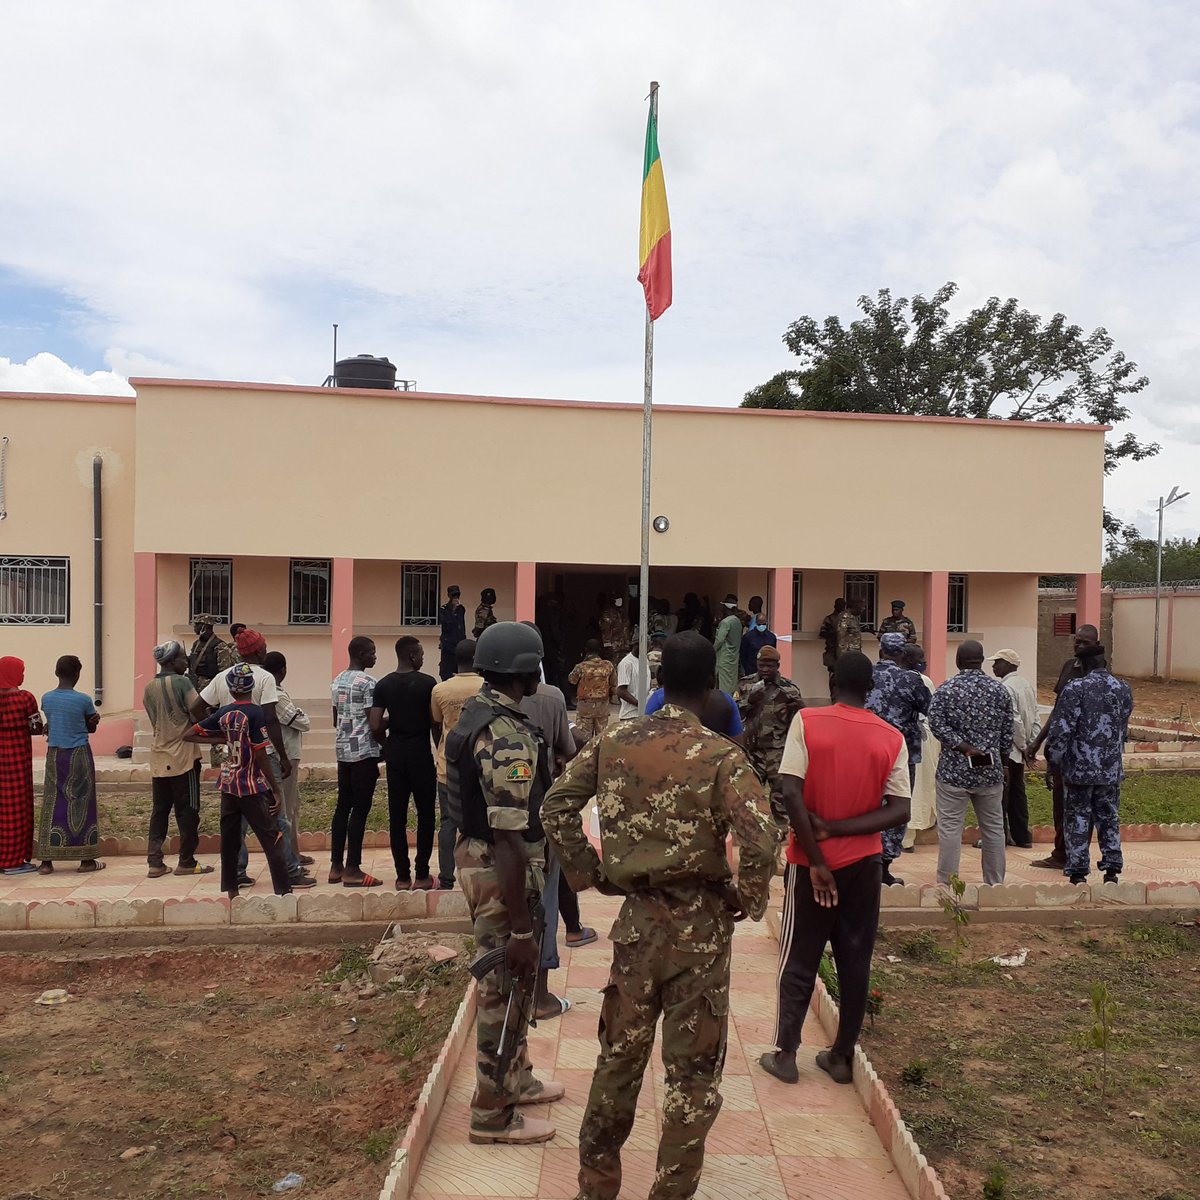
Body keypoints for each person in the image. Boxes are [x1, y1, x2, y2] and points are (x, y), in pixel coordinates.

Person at [542, 630, 776, 1200]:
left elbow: (557, 805)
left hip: (637, 925)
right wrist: (744, 900)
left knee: (618, 1062)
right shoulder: (722, 755)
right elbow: (763, 841)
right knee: (692, 1077)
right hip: (700, 931)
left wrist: (590, 875)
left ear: (658, 682)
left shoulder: (617, 741)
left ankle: (595, 1188)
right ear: (713, 685)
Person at [760, 651, 911, 1088]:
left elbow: (790, 792)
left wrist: (819, 860)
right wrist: (844, 831)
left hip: (810, 864)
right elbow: (899, 809)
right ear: (871, 689)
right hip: (864, 865)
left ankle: (786, 1055)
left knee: (800, 954)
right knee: (855, 957)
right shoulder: (891, 737)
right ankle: (842, 1057)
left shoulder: (807, 721)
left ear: (831, 682)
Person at [444, 622, 563, 1146]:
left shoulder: (482, 712)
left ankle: (516, 1079)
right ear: (524, 669)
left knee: (512, 983)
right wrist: (519, 927)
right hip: (501, 869)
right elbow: (509, 835)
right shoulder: (505, 732)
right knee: (503, 988)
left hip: (485, 861)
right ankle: (492, 1115)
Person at [197, 629, 311, 889]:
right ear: (260, 651)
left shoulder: (223, 677)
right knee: (276, 813)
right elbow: (270, 718)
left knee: (236, 816)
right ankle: (290, 873)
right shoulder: (264, 677)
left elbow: (197, 707)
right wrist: (282, 756)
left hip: (234, 758)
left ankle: (237, 872)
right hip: (263, 755)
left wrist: (221, 732)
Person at [185, 664, 293, 899]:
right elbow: (261, 754)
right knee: (272, 837)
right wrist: (274, 789)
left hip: (228, 785)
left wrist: (220, 737)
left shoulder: (223, 714)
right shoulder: (256, 714)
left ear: (231, 690)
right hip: (252, 785)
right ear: (251, 687)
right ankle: (284, 892)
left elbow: (189, 733)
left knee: (230, 840)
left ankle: (231, 890)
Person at [1044, 644, 1133, 884]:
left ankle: (1078, 872)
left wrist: (1053, 764)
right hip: (1110, 770)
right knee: (1109, 817)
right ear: (1103, 663)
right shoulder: (1123, 689)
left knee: (1077, 818)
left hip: (1079, 771)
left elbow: (1061, 731)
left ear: (1083, 664)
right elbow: (1122, 730)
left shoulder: (1076, 689)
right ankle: (1112, 869)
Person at [928, 640, 1013, 886]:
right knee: (994, 828)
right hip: (990, 770)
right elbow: (1007, 731)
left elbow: (936, 724)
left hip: (954, 771)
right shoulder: (999, 691)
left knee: (950, 830)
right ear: (982, 660)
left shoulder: (946, 689)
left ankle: (947, 884)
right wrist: (1004, 763)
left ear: (958, 661)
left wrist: (961, 746)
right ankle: (995, 884)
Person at [519, 666, 578, 1022]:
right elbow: (567, 748)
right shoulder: (551, 696)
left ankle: (507, 994)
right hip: (541, 811)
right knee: (545, 900)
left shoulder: (480, 702)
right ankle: (539, 997)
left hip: (497, 818)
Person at [1027, 624, 1100, 870]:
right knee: (1060, 803)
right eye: (1077, 641)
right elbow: (1058, 710)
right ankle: (1061, 853)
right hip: (1064, 751)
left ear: (1095, 645)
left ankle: (1078, 856)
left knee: (1083, 808)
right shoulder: (1069, 667)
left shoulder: (1099, 673)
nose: (1079, 645)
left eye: (1085, 642)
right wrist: (1038, 742)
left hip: (1087, 753)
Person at [369, 636, 438, 890]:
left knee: (397, 816)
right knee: (426, 816)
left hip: (396, 756)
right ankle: (422, 875)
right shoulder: (428, 683)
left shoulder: (383, 684)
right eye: (420, 654)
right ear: (411, 655)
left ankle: (401, 877)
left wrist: (387, 744)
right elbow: (434, 722)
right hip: (421, 755)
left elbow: (375, 724)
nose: (422, 658)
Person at [866, 632, 930, 885]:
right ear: (903, 653)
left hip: (866, 753)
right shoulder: (912, 680)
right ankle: (884, 866)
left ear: (880, 650)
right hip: (900, 756)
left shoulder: (865, 674)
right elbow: (929, 709)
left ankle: (864, 862)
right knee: (895, 809)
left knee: (866, 805)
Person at [143, 641, 208, 878]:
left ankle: (155, 862)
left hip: (159, 755)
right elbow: (197, 710)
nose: (186, 661)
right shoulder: (183, 682)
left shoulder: (149, 687)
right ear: (171, 661)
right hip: (184, 755)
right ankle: (186, 861)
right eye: (182, 657)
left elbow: (153, 720)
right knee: (188, 809)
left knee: (160, 810)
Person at [35, 655, 103, 874]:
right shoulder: (83, 700)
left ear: (57, 673)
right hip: (79, 754)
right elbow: (90, 727)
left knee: (52, 801)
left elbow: (53, 721)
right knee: (83, 801)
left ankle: (46, 861)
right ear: (77, 674)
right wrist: (93, 721)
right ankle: (86, 860)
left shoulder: (47, 698)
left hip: (55, 754)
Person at [331, 636, 383, 887]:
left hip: (343, 750)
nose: (375, 657)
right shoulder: (369, 682)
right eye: (372, 652)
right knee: (360, 809)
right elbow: (373, 722)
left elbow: (335, 717)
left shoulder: (337, 680)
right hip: (363, 751)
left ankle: (335, 866)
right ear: (361, 654)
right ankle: (353, 868)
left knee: (343, 806)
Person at [430, 638, 482, 891]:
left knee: (448, 822)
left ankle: (446, 877)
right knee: (481, 819)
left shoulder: (441, 690)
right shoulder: (487, 687)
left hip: (447, 765)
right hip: (480, 764)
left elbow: (437, 724)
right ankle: (480, 873)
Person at [737, 645, 804, 830]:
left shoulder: (789, 689)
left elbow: (799, 722)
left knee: (780, 793)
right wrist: (750, 701)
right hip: (753, 749)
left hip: (778, 749)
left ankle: (780, 830)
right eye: (761, 665)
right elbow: (735, 713)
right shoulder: (746, 685)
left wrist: (799, 707)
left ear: (778, 666)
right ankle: (754, 830)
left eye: (769, 666)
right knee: (751, 793)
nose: (765, 670)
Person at [263, 651, 312, 865]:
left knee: (292, 805)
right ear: (283, 670)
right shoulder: (277, 694)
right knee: (287, 808)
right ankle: (290, 858)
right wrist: (301, 712)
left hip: (283, 753)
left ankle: (294, 852)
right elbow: (302, 722)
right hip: (286, 755)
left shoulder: (272, 691)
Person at [989, 649, 1039, 849]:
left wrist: (1023, 746)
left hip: (1009, 749)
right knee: (1018, 792)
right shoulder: (1026, 685)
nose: (993, 667)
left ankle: (999, 837)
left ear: (1009, 664)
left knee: (1001, 793)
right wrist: (1031, 746)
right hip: (1022, 749)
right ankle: (1022, 836)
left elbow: (1014, 721)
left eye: (997, 662)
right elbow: (1035, 718)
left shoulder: (1006, 688)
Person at [0, 657, 43, 875]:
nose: (23, 675)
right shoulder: (25, 698)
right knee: (16, 811)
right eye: (22, 671)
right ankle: (14, 861)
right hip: (17, 765)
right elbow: (35, 728)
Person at [901, 644, 939, 850]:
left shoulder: (897, 680)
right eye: (921, 658)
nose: (924, 661)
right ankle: (907, 839)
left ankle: (905, 838)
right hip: (918, 742)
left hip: (914, 740)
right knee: (915, 788)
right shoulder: (922, 681)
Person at [568, 640, 616, 743]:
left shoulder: (581, 666)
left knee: (584, 739)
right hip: (602, 707)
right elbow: (613, 684)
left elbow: (572, 680)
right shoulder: (608, 665)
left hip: (585, 707)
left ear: (586, 650)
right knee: (602, 738)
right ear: (599, 650)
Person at [713, 594, 743, 695]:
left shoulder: (726, 622)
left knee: (723, 685)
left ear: (726, 607)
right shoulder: (737, 621)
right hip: (733, 658)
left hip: (724, 658)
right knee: (731, 684)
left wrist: (712, 650)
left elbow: (719, 640)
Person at [187, 615, 226, 690]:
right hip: (194, 684)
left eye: (197, 624)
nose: (194, 627)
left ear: (204, 626)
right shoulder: (196, 644)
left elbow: (225, 670)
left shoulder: (220, 645)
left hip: (211, 686)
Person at [438, 585, 468, 682]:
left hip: (459, 644)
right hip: (448, 645)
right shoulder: (443, 609)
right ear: (449, 596)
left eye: (457, 595)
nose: (455, 598)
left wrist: (457, 609)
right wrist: (453, 610)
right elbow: (447, 623)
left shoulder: (461, 609)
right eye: (453, 596)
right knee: (447, 672)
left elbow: (460, 625)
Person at [739, 607, 778, 677]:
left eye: (763, 624)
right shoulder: (748, 637)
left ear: (766, 623)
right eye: (759, 624)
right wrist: (747, 669)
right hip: (751, 670)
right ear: (756, 623)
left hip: (767, 672)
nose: (761, 626)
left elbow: (773, 654)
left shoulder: (772, 637)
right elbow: (743, 655)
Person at [818, 598, 846, 692]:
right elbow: (822, 633)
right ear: (835, 606)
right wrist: (834, 634)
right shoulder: (829, 619)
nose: (841, 607)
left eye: (843, 605)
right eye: (839, 605)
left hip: (845, 652)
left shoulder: (848, 619)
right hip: (832, 651)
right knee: (833, 677)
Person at [615, 638, 643, 720]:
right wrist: (639, 704)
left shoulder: (644, 660)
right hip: (630, 715)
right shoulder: (626, 663)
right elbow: (621, 691)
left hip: (643, 714)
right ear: (635, 645)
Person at [598, 593, 629, 663]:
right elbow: (605, 630)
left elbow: (625, 627)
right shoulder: (608, 613)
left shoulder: (622, 612)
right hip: (613, 647)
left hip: (624, 646)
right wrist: (607, 645)